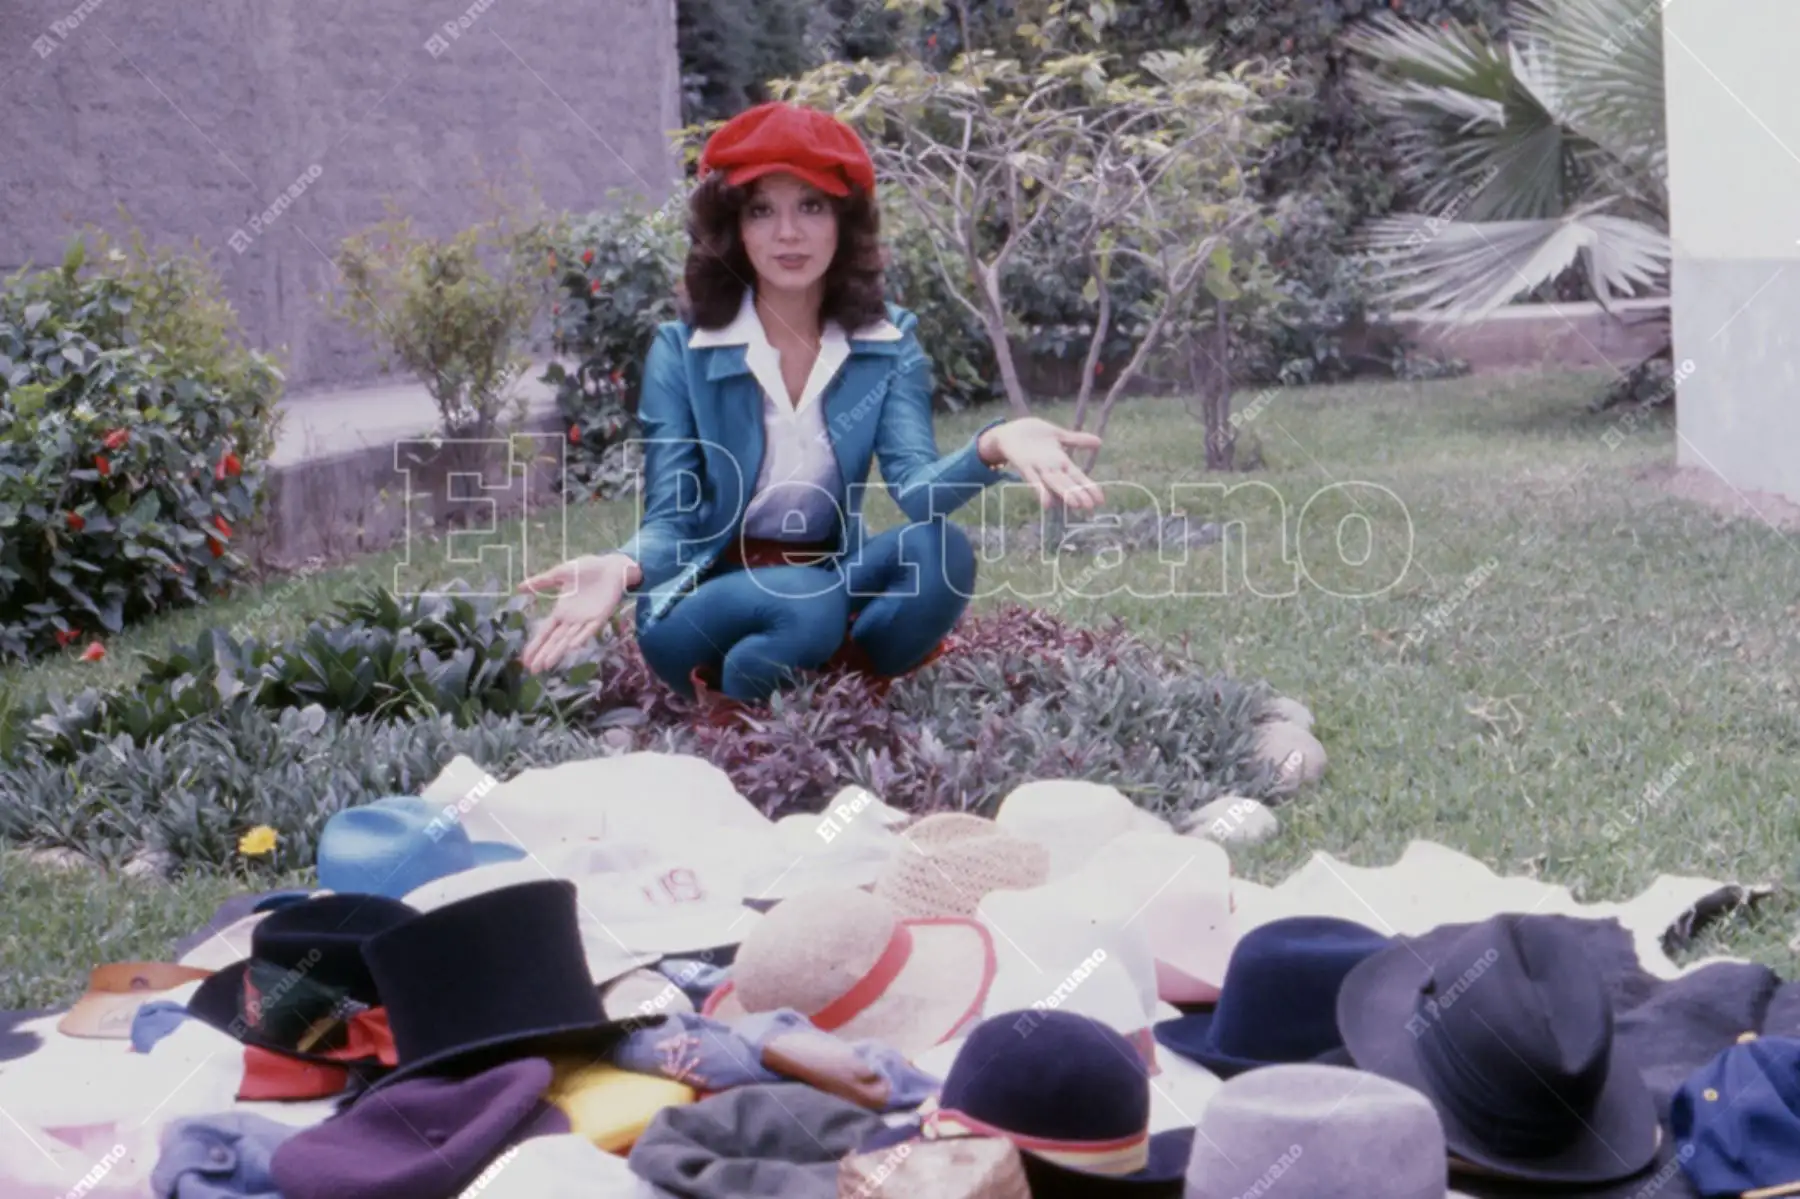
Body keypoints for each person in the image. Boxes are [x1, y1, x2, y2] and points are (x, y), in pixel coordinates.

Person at [518, 100, 1104, 704]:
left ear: (843, 223)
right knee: (807, 606)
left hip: (824, 581)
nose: (788, 233)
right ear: (734, 228)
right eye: (762, 210)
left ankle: (807, 683)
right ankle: (752, 714)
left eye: (812, 206)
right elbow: (673, 518)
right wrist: (621, 566)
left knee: (941, 553)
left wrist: (996, 444)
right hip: (702, 601)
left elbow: (917, 490)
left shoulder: (887, 342)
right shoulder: (683, 350)